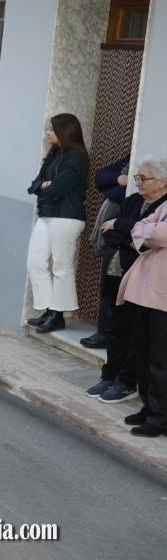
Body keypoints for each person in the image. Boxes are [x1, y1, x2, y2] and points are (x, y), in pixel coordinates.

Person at [85, 159, 167, 404]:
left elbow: (150, 241)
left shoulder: (162, 206)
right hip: (116, 270)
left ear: (162, 182)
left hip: (143, 279)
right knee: (116, 327)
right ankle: (109, 375)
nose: (138, 182)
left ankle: (126, 381)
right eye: (137, 178)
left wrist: (126, 229)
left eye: (143, 178)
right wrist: (132, 235)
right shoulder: (132, 201)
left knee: (135, 334)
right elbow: (110, 234)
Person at [25, 113, 89, 334]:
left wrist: (45, 187)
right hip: (47, 214)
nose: (48, 133)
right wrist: (43, 186)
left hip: (67, 216)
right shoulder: (54, 154)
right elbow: (35, 184)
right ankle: (47, 308)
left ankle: (57, 315)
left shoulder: (77, 157)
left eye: (51, 129)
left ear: (65, 131)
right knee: (35, 262)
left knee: (61, 266)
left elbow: (59, 187)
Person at [115, 168, 167, 437]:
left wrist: (149, 231)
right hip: (147, 291)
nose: (140, 183)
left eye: (144, 178)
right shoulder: (164, 206)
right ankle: (148, 407)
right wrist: (148, 231)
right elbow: (139, 227)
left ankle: (160, 418)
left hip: (163, 296)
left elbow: (160, 235)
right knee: (143, 352)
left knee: (160, 360)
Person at [82, 156, 130, 348]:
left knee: (117, 291)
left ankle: (109, 335)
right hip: (112, 240)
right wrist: (119, 180)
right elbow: (100, 177)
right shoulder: (129, 159)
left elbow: (122, 194)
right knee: (108, 287)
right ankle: (103, 332)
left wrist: (112, 188)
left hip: (125, 240)